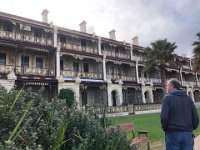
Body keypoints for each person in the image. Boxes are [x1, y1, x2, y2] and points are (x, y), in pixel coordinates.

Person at [160, 78, 199, 150]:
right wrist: (193, 127)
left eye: (167, 85)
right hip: (187, 133)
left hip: (173, 133)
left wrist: (164, 127)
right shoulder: (188, 98)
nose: (166, 87)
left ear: (172, 86)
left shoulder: (168, 98)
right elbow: (195, 117)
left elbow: (164, 117)